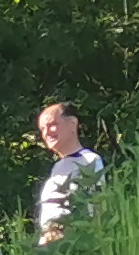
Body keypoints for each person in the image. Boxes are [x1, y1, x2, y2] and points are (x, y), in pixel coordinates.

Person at [36, 101, 104, 244]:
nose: (47, 132)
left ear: (72, 124)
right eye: (42, 128)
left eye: (52, 125)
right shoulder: (57, 167)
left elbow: (96, 205)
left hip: (73, 242)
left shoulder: (89, 160)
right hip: (51, 246)